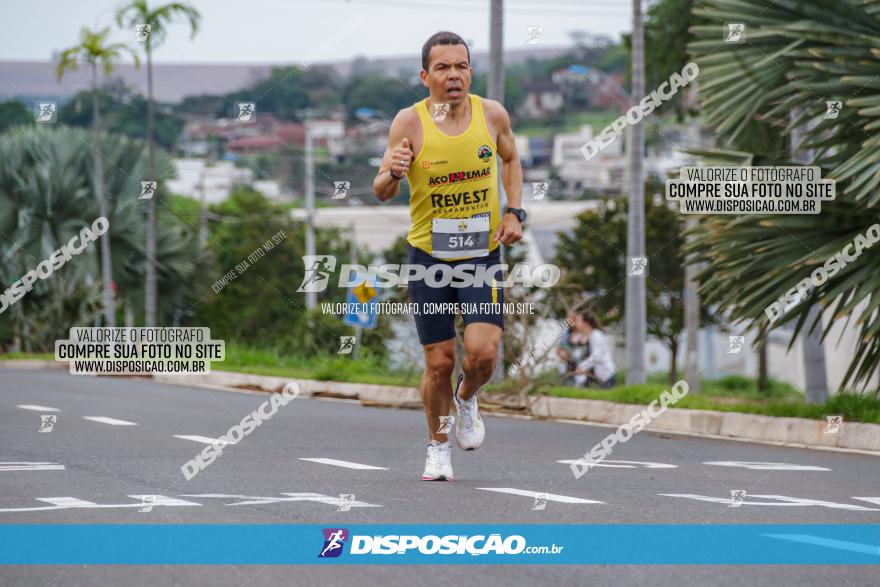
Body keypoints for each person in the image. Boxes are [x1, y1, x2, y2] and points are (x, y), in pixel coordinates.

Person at [372, 31, 525, 481]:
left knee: (484, 355)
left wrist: (514, 211)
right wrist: (393, 173)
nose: (454, 75)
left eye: (461, 66)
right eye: (443, 67)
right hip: (429, 257)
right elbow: (381, 189)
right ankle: (437, 448)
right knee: (438, 361)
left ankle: (467, 396)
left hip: (482, 254)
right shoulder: (409, 123)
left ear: (470, 72)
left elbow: (512, 160)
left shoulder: (492, 114)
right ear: (425, 76)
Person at [571, 311, 616, 389]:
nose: (576, 323)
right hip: (589, 378)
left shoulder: (597, 336)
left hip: (605, 377)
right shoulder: (580, 338)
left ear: (586, 323)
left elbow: (596, 357)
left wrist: (582, 367)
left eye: (578, 320)